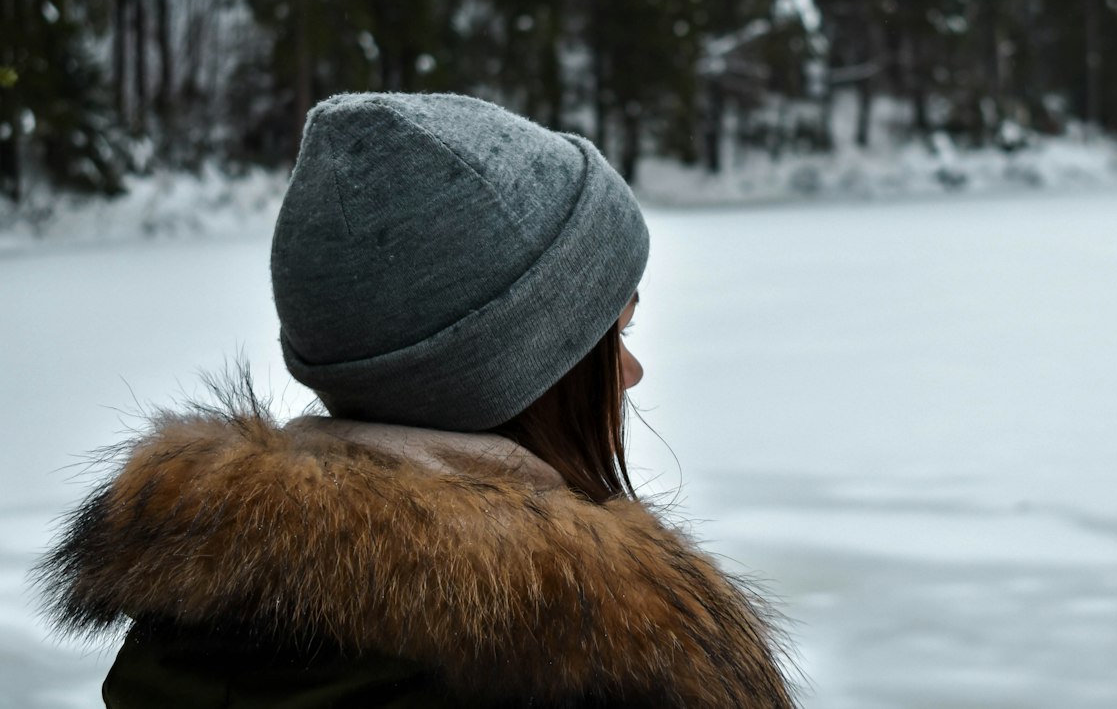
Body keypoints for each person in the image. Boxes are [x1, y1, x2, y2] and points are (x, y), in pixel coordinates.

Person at [36, 92, 796, 708]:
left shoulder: (190, 635)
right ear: (523, 371)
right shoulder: (601, 662)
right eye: (614, 334)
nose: (628, 372)